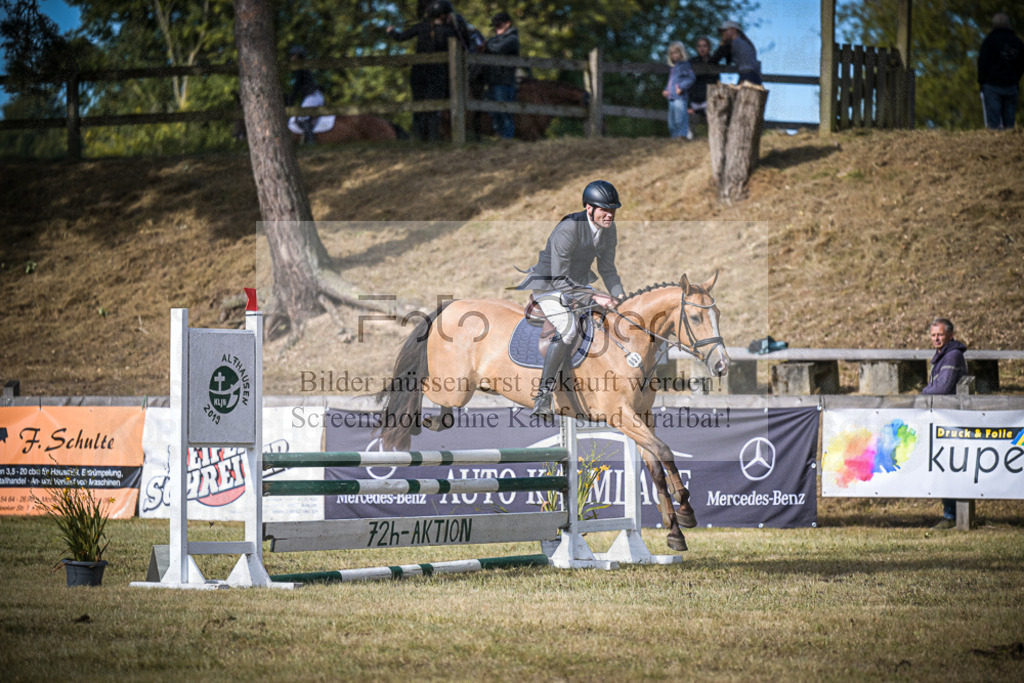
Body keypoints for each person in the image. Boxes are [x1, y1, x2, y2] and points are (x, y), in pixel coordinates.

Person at [516, 181, 626, 418]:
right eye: (605, 210)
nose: (610, 215)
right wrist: (595, 295)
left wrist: (619, 295)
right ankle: (543, 395)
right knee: (566, 329)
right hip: (550, 286)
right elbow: (560, 280)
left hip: (576, 283)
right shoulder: (569, 229)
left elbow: (607, 268)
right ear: (589, 209)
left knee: (608, 318)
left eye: (613, 210)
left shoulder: (609, 229)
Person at [386, 0, 458, 141]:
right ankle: (432, 138)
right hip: (438, 73)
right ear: (444, 15)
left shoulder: (422, 27)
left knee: (418, 105)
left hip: (418, 72)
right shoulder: (450, 31)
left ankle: (418, 138)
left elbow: (400, 37)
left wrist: (391, 31)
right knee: (434, 107)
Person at [921, 317, 968, 529]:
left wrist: (922, 395)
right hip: (942, 418)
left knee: (949, 468)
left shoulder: (953, 355)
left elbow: (943, 387)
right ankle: (950, 514)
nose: (936, 338)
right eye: (933, 335)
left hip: (952, 419)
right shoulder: (942, 355)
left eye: (940, 334)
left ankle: (952, 516)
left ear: (950, 335)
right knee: (942, 467)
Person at [978, 12, 1024, 130]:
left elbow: (982, 63)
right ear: (1008, 25)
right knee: (1009, 125)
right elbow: (1021, 64)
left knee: (994, 125)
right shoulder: (1017, 42)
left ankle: (995, 146)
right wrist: (1015, 79)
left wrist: (982, 82)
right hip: (1011, 86)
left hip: (992, 86)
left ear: (993, 25)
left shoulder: (989, 41)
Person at [483, 11, 520, 139]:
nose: (496, 28)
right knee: (495, 112)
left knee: (504, 113)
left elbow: (495, 49)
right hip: (493, 81)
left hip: (504, 81)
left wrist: (486, 45)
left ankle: (507, 140)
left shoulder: (512, 39)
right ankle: (500, 138)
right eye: (495, 25)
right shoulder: (496, 39)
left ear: (507, 24)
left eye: (499, 25)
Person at [286, 45, 327, 145]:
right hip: (313, 96)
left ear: (298, 56)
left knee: (301, 117)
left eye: (293, 55)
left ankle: (311, 142)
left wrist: (291, 100)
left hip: (313, 96)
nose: (291, 58)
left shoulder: (300, 68)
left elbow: (296, 86)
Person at [712, 20, 762, 86]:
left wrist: (722, 42)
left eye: (725, 30)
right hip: (755, 77)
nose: (723, 33)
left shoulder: (733, 43)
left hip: (747, 77)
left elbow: (715, 58)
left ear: (734, 30)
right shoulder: (745, 43)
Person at [662, 41, 696, 140]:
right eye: (672, 53)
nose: (674, 55)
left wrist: (681, 87)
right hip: (671, 97)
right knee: (671, 121)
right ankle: (674, 139)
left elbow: (691, 78)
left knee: (680, 119)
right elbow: (671, 81)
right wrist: (666, 90)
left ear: (681, 53)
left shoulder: (684, 65)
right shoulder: (674, 67)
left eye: (676, 52)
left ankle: (682, 138)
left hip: (680, 97)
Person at [688, 36, 720, 124]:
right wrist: (689, 103)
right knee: (689, 121)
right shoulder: (692, 62)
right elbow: (688, 84)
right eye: (699, 46)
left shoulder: (714, 63)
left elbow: (717, 82)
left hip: (709, 99)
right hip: (694, 100)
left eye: (704, 46)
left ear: (709, 48)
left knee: (714, 119)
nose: (702, 49)